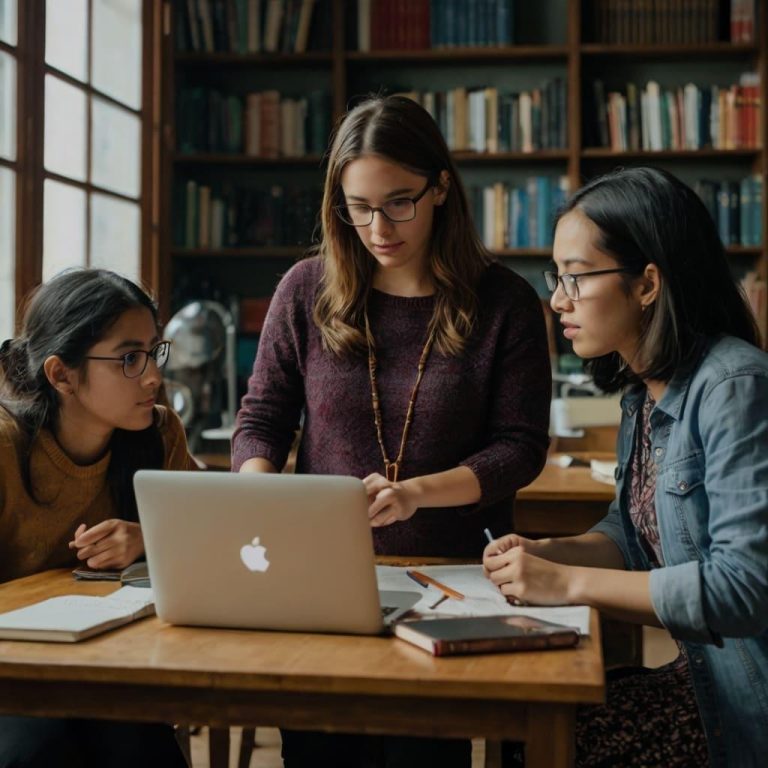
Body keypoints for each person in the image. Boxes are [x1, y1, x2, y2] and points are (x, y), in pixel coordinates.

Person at [232, 94, 552, 767]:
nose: (379, 226)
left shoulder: (505, 302)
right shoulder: (304, 290)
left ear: (441, 187)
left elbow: (519, 447)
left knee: (420, 752)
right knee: (320, 750)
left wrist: (416, 494)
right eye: (359, 206)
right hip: (321, 574)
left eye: (399, 201)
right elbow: (262, 419)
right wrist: (265, 494)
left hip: (453, 580)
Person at [483, 166, 768, 768]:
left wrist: (565, 585)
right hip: (705, 682)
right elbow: (632, 538)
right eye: (556, 277)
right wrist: (550, 552)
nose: (558, 298)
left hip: (747, 703)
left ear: (647, 284)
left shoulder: (733, 385)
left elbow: (745, 588)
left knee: (547, 738)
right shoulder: (645, 393)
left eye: (577, 278)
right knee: (522, 722)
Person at [0, 268, 197, 768]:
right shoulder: (6, 447)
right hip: (17, 671)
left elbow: (214, 531)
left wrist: (149, 535)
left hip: (113, 664)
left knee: (143, 752)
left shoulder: (158, 432)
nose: (154, 375)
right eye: (129, 358)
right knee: (38, 752)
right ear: (61, 374)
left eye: (154, 351)